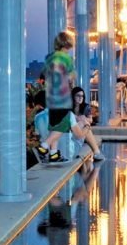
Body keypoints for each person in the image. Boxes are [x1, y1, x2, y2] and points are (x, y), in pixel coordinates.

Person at [37, 31, 105, 163]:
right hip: (61, 97)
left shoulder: (49, 57)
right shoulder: (66, 58)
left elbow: (44, 74)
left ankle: (53, 153)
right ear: (67, 44)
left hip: (50, 96)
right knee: (63, 125)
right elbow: (70, 77)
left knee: (54, 125)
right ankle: (44, 146)